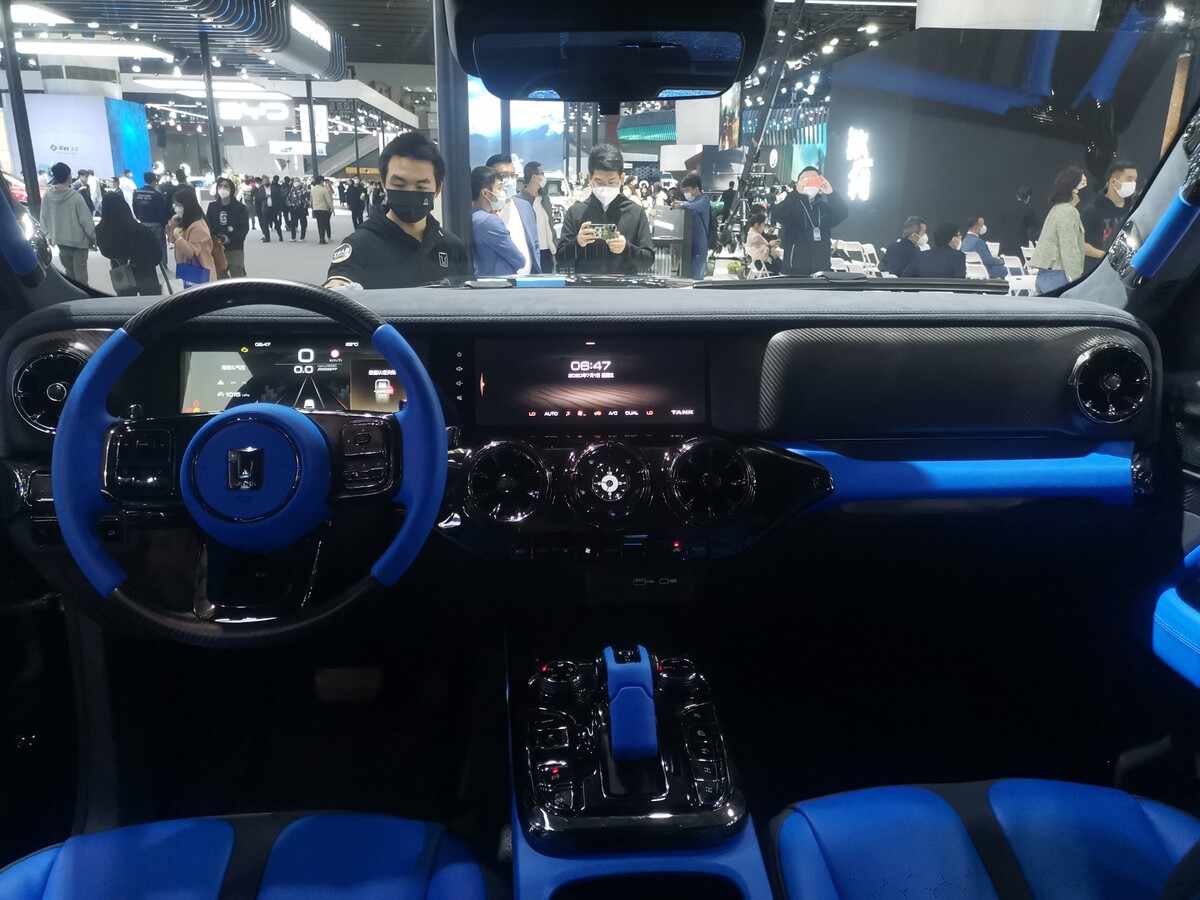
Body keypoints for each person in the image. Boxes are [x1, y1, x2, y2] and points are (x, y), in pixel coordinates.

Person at [325, 131, 468, 290]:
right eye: (399, 185)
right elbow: (340, 281)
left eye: (421, 186)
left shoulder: (452, 247)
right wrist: (339, 287)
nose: (410, 193)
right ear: (384, 183)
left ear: (438, 189)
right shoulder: (360, 245)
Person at [557, 144, 654, 275]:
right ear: (590, 178)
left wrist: (626, 248)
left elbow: (648, 261)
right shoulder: (575, 212)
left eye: (611, 181)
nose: (605, 187)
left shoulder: (635, 212)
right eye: (599, 181)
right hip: (586, 286)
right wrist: (577, 243)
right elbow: (561, 260)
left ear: (621, 178)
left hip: (624, 286)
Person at [773, 166, 848, 275]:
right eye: (804, 179)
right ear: (797, 184)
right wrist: (796, 193)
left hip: (822, 270)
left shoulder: (823, 207)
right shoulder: (792, 203)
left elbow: (842, 213)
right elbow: (777, 214)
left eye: (813, 178)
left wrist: (831, 193)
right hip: (794, 272)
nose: (809, 182)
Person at [1031, 165, 1088, 293]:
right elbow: (1069, 247)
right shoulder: (1068, 212)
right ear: (1073, 191)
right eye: (1078, 190)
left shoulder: (1056, 209)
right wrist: (1076, 279)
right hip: (1059, 276)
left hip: (1045, 274)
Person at [95, 191, 162, 295]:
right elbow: (157, 254)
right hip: (146, 271)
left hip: (122, 272)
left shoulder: (100, 230)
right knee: (150, 302)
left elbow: (105, 252)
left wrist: (120, 259)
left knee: (127, 302)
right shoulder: (142, 230)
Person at [484, 153, 539, 275]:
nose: (510, 181)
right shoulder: (482, 213)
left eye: (513, 175)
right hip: (495, 283)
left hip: (527, 282)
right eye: (504, 176)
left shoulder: (525, 207)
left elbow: (534, 245)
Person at [41, 162, 96, 285]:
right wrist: (93, 237)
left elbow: (43, 217)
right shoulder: (75, 197)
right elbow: (86, 220)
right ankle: (83, 296)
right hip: (79, 243)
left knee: (70, 274)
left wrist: (48, 235)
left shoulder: (47, 196)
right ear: (68, 176)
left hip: (61, 241)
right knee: (81, 277)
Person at [1082, 159, 1138, 273]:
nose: (1133, 184)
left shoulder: (1134, 209)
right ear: (1113, 181)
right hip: (1096, 273)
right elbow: (1077, 244)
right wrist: (1105, 256)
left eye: (1135, 180)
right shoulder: (1092, 211)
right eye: (1129, 179)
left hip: (1129, 271)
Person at [471, 166, 525, 277]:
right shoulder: (489, 221)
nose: (503, 192)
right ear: (486, 193)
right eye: (499, 188)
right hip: (497, 283)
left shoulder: (472, 217)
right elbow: (519, 260)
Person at [169, 186, 217, 283]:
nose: (175, 209)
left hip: (201, 273)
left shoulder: (198, 227)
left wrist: (179, 237)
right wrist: (173, 225)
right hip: (189, 270)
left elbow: (191, 253)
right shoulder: (186, 222)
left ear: (187, 206)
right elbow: (172, 241)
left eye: (178, 205)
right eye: (175, 205)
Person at [205, 176, 250, 278]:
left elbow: (244, 229)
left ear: (232, 189)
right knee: (220, 277)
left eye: (226, 186)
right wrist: (215, 238)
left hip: (235, 247)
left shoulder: (241, 208)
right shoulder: (212, 207)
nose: (222, 189)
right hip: (217, 248)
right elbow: (208, 226)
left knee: (237, 276)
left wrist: (229, 238)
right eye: (220, 186)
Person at [522, 161, 556, 273]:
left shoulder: (544, 198)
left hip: (547, 252)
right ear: (533, 177)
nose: (544, 177)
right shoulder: (520, 200)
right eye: (542, 173)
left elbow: (550, 224)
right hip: (530, 253)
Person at [676, 172, 711, 280]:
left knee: (697, 278)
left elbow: (695, 206)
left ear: (696, 188)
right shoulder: (691, 202)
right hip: (689, 245)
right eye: (684, 191)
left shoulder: (704, 200)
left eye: (687, 190)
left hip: (700, 247)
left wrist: (682, 204)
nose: (686, 194)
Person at [901, 222, 966, 278]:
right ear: (953, 238)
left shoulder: (920, 256)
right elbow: (960, 283)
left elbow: (904, 279)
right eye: (959, 235)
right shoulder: (959, 257)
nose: (960, 238)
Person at [997, 184, 1041, 258]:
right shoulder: (1028, 210)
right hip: (1019, 252)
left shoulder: (1006, 208)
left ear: (1017, 196)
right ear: (1028, 197)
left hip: (1003, 250)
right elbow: (1034, 228)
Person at [745, 211, 782, 276]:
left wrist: (770, 245)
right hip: (762, 264)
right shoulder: (756, 236)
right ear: (757, 225)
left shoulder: (752, 233)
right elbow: (763, 254)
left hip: (757, 263)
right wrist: (770, 245)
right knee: (782, 265)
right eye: (763, 225)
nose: (764, 227)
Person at [310, 175, 335, 245]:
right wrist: (332, 208)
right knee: (324, 224)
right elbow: (328, 200)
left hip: (316, 209)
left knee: (319, 224)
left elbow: (311, 199)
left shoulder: (313, 189)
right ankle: (322, 239)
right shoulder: (324, 189)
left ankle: (321, 238)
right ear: (321, 181)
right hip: (323, 209)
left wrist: (312, 207)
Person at [286, 176, 309, 241]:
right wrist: (290, 204)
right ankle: (293, 237)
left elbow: (306, 200)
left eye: (297, 181)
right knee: (293, 223)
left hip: (301, 208)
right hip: (293, 208)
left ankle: (302, 237)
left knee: (302, 223)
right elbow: (288, 199)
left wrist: (304, 205)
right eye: (295, 182)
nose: (296, 183)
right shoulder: (291, 190)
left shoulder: (303, 190)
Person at [266, 175, 285, 241]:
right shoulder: (279, 187)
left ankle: (269, 237)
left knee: (270, 221)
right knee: (274, 221)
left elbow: (278, 197)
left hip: (272, 207)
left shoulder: (272, 187)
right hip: (272, 207)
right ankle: (278, 236)